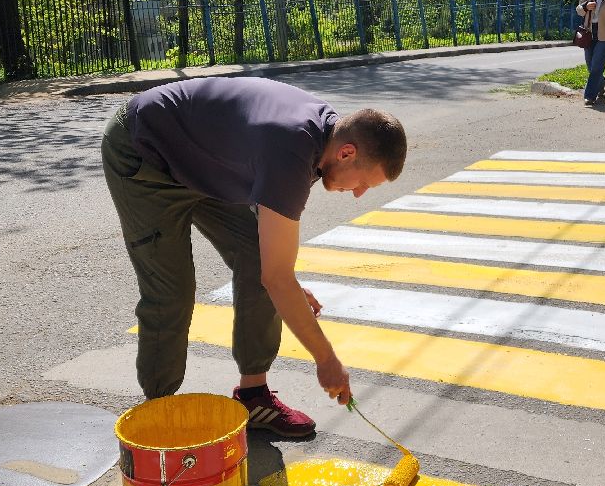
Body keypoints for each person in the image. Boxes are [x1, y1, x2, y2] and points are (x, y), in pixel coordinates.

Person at [101, 76, 407, 437]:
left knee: (259, 261)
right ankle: (159, 413)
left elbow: (273, 263)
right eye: (364, 183)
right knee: (172, 292)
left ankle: (253, 395)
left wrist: (285, 285)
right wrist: (326, 359)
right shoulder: (291, 148)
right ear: (347, 153)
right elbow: (277, 278)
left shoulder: (324, 142)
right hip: (145, 150)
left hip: (200, 159)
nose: (358, 194)